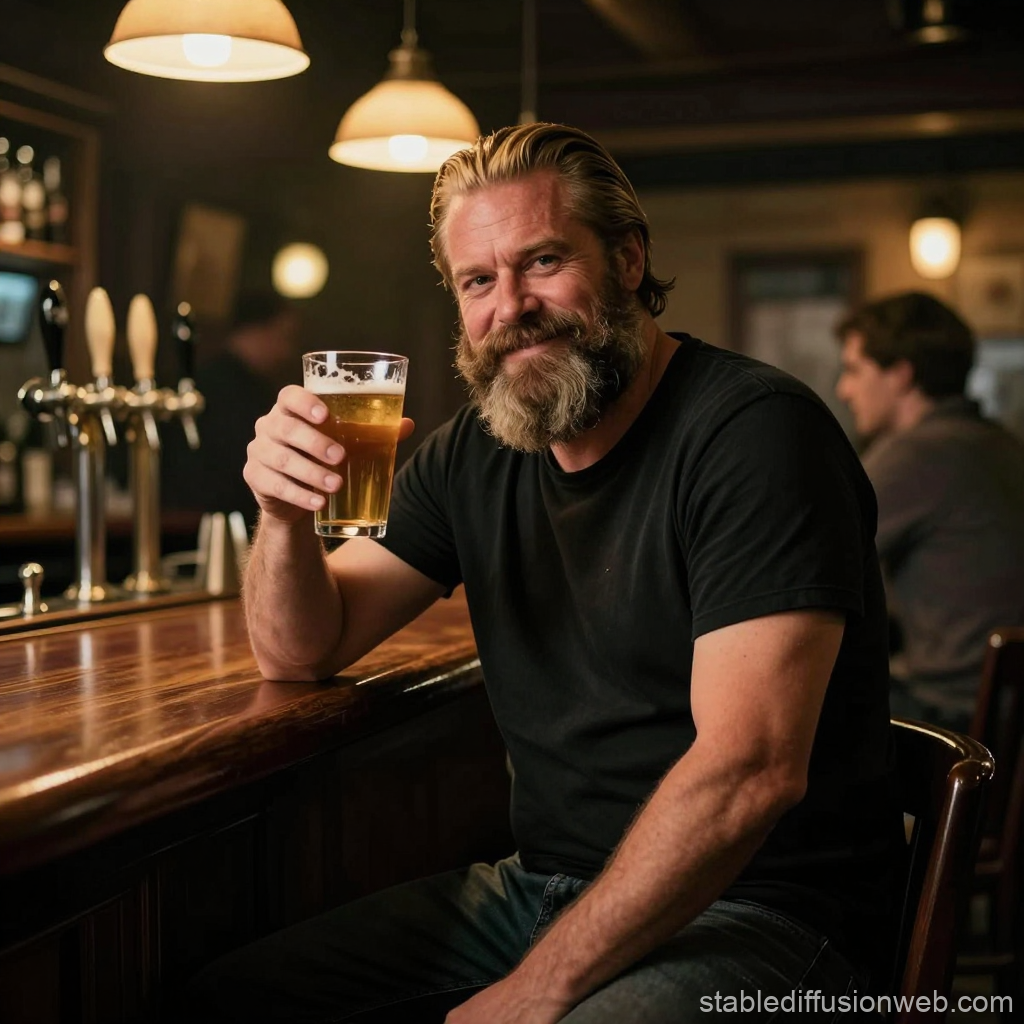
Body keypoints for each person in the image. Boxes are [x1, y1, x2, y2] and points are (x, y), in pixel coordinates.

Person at [188, 123, 903, 1023]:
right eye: (478, 281)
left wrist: (537, 990)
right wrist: (285, 515)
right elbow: (302, 648)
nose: (511, 304)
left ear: (630, 259)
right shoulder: (476, 454)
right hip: (546, 892)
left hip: (770, 920)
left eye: (544, 261)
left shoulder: (754, 436)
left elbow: (750, 770)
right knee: (230, 1001)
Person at [835, 292, 1024, 734]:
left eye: (853, 370)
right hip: (1006, 709)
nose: (844, 389)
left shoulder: (918, 452)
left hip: (954, 714)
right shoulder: (1001, 444)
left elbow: (806, 559)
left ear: (900, 375)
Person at [163, 290, 302, 531]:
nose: (285, 351)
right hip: (207, 525)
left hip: (188, 520)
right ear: (258, 331)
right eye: (284, 337)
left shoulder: (208, 377)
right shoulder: (241, 392)